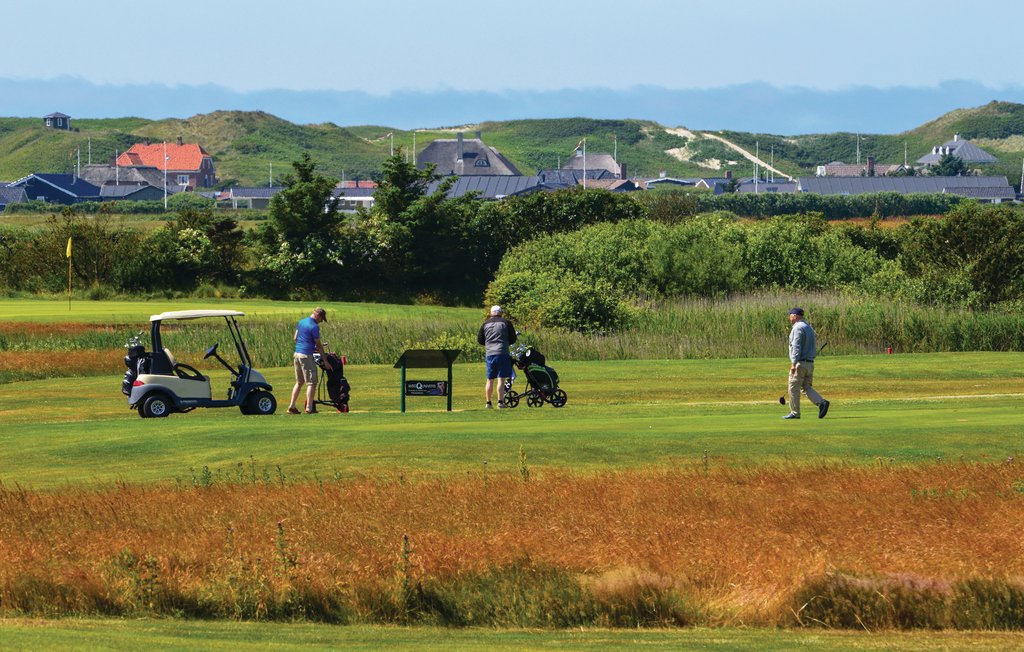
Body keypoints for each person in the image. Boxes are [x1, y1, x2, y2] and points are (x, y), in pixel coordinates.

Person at [783, 306, 830, 420]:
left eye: (790, 315)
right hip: (810, 363)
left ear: (795, 316)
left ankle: (795, 413)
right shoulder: (808, 327)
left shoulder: (797, 328)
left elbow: (796, 346)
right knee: (806, 387)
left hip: (800, 363)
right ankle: (821, 402)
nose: (789, 318)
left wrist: (793, 364)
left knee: (793, 387)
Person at [287, 306, 332, 415]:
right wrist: (326, 362)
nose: (321, 322)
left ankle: (292, 406)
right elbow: (319, 345)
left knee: (299, 382)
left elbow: (295, 338)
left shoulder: (301, 322)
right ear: (318, 316)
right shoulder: (314, 326)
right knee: (312, 382)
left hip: (297, 354)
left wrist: (308, 345)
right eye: (321, 319)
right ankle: (309, 408)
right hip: (306, 355)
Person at [477, 305, 516, 409]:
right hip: (502, 353)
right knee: (501, 379)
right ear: (501, 313)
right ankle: (500, 402)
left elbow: (480, 340)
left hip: (490, 354)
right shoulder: (506, 323)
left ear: (491, 313)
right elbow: (513, 339)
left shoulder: (485, 324)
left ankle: (488, 403)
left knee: (489, 379)